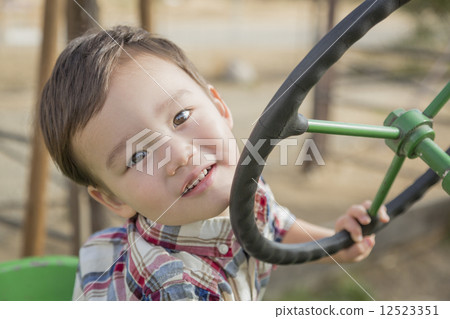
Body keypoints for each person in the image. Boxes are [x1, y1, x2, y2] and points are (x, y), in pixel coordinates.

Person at [39, 26, 389, 301]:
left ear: (221, 108)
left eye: (181, 117)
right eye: (138, 155)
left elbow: (274, 226)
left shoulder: (241, 183)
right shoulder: (173, 291)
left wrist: (335, 243)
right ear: (115, 200)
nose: (179, 155)